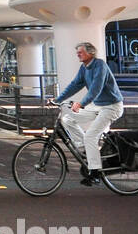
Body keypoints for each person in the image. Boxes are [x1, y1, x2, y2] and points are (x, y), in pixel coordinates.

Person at [53, 43, 124, 186]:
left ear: (90, 53)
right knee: (67, 119)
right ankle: (85, 148)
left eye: (80, 52)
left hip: (111, 106)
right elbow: (74, 85)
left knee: (91, 135)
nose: (78, 54)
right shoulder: (84, 68)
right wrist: (57, 100)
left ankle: (95, 172)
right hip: (97, 105)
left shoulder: (100, 66)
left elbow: (95, 89)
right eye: (77, 52)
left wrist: (81, 104)